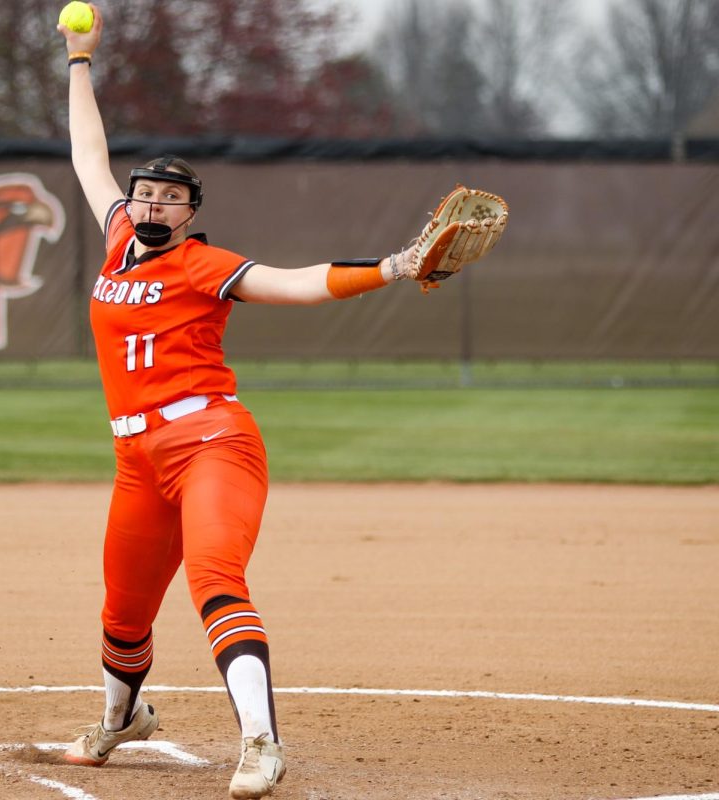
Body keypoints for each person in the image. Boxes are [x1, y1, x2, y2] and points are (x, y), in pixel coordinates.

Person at [56, 6, 420, 798]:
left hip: (212, 443)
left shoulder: (202, 264)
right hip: (134, 459)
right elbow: (89, 153)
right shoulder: (119, 238)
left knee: (215, 578)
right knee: (123, 613)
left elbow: (294, 284)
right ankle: (122, 719)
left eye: (169, 199)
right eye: (145, 194)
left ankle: (260, 743)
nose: (151, 205)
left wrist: (391, 268)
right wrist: (80, 60)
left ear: (191, 214)